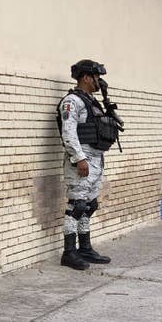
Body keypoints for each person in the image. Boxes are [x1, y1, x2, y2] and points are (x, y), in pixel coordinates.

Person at [55, 60, 119, 270]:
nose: (99, 81)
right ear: (86, 77)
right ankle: (69, 253)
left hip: (96, 158)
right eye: (96, 77)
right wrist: (79, 158)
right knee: (77, 206)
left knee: (89, 206)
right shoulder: (72, 101)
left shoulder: (93, 101)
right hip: (81, 160)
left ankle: (85, 247)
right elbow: (69, 132)